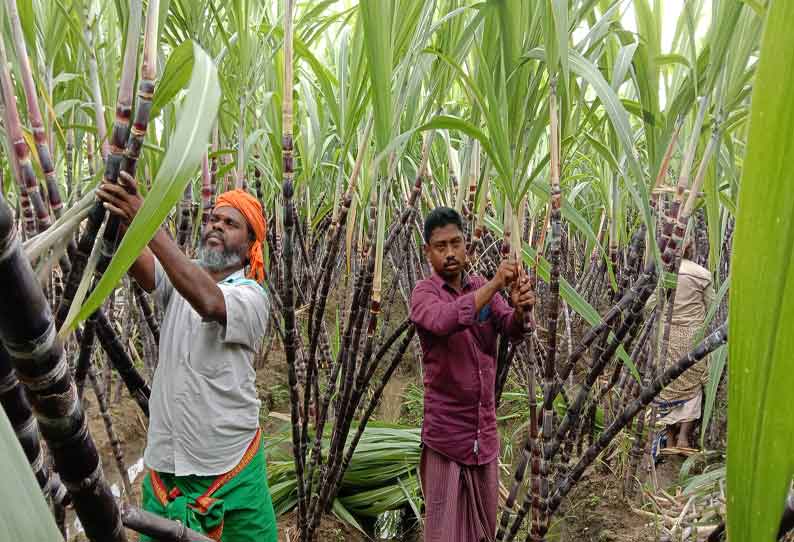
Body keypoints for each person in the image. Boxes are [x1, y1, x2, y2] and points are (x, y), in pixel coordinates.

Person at [97, 171, 278, 542]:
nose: (216, 226)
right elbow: (143, 264)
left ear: (250, 246)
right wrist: (119, 217)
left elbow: (209, 302)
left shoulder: (250, 296)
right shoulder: (183, 278)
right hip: (166, 463)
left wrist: (146, 218)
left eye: (230, 223)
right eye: (213, 219)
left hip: (229, 469)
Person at [409, 207, 535, 542]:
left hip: (484, 436)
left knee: (483, 532)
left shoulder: (481, 288)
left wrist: (522, 310)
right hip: (446, 438)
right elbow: (444, 320)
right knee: (442, 533)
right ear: (428, 252)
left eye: (456, 243)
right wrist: (495, 284)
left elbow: (511, 328)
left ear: (467, 246)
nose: (450, 253)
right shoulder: (424, 294)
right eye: (440, 246)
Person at [652, 241, 715, 452]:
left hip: (667, 335)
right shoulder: (702, 274)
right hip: (692, 335)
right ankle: (684, 439)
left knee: (668, 383)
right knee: (693, 382)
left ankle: (669, 440)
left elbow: (652, 304)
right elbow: (712, 306)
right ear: (692, 249)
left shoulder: (666, 273)